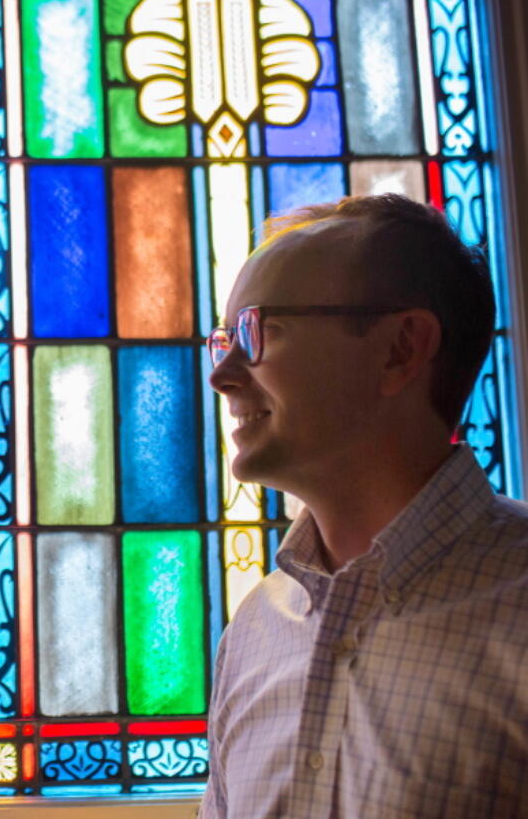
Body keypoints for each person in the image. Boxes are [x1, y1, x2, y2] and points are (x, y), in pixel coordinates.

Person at [199, 193, 528, 817]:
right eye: (224, 341)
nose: (223, 375)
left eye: (259, 331)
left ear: (401, 349)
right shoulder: (255, 629)